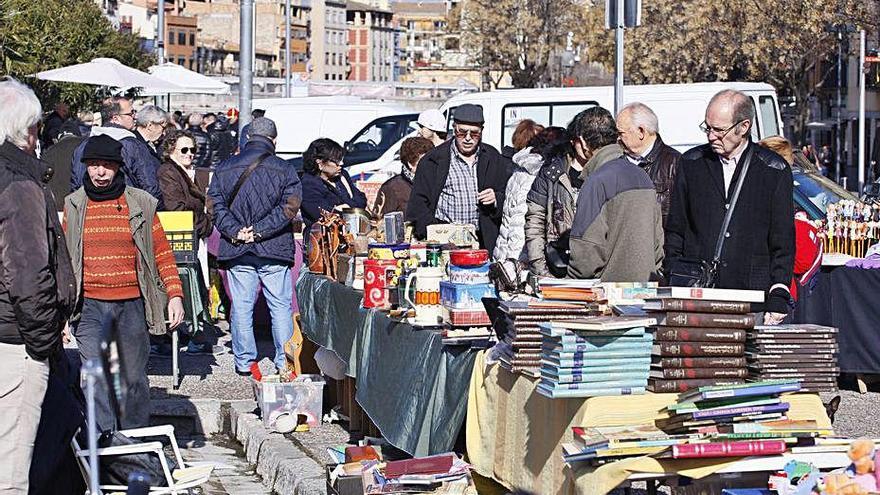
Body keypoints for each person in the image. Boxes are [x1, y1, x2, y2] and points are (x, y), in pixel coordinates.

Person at [64, 134, 184, 431]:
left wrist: (175, 295)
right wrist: (60, 314)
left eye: (106, 165)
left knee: (132, 380)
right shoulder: (74, 205)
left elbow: (161, 253)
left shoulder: (140, 203)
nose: (100, 172)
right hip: (89, 307)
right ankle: (106, 445)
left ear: (118, 167)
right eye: (93, 165)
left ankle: (134, 444)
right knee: (96, 379)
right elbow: (65, 260)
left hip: (131, 306)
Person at [0, 78, 75, 495]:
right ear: (27, 131)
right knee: (10, 471)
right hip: (14, 342)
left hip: (11, 333)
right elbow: (29, 277)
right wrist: (43, 341)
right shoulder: (18, 186)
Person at [665, 89, 794, 324]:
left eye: (719, 130)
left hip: (751, 296)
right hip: (698, 295)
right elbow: (676, 227)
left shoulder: (773, 170)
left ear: (743, 127)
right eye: (707, 127)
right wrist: (674, 270)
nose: (711, 136)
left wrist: (778, 291)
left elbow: (783, 241)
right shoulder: (692, 163)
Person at [207, 117, 302, 376]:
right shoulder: (285, 169)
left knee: (241, 305)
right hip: (273, 247)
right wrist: (259, 231)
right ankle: (285, 362)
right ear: (274, 140)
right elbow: (289, 209)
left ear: (247, 137)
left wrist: (237, 231)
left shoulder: (224, 167)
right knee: (281, 306)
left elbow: (214, 206)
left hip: (237, 246)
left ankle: (244, 362)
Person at [566, 108, 663, 282]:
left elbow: (586, 255)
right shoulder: (642, 176)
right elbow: (657, 246)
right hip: (646, 292)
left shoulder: (596, 181)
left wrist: (568, 281)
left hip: (608, 296)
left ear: (582, 142)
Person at [406, 104, 512, 254]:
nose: (468, 138)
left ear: (482, 131)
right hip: (445, 244)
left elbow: (508, 197)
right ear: (454, 129)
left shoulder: (493, 157)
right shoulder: (433, 160)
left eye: (474, 133)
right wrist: (435, 238)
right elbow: (418, 206)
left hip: (483, 244)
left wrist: (496, 199)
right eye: (462, 132)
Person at [525, 108, 616, 277]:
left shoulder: (610, 172)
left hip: (600, 268)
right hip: (557, 266)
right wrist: (541, 270)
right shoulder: (552, 172)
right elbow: (535, 222)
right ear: (575, 141)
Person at [70, 97, 165, 207]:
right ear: (115, 118)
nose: (135, 117)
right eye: (131, 113)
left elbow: (75, 187)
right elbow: (150, 189)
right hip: (126, 215)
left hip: (89, 214)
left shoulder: (82, 146)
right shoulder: (134, 146)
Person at [494, 126, 565, 262]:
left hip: (503, 248)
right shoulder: (537, 175)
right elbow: (521, 224)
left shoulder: (520, 169)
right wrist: (517, 261)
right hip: (519, 255)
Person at [615, 102, 680, 226]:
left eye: (621, 133)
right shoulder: (616, 165)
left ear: (641, 132)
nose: (618, 138)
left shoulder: (675, 164)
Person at [300, 138, 368, 233]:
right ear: (319, 163)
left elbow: (362, 199)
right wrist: (351, 209)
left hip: (351, 235)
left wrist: (344, 208)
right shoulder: (308, 185)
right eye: (336, 160)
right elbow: (324, 215)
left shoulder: (342, 175)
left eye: (341, 159)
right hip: (324, 241)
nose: (341, 163)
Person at [158, 130, 212, 240]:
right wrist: (206, 225)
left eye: (192, 149)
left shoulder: (187, 171)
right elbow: (176, 209)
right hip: (183, 235)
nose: (189, 153)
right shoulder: (168, 172)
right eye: (184, 150)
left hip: (193, 233)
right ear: (171, 150)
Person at [371, 136, 433, 217]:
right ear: (410, 164)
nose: (429, 166)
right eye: (424, 162)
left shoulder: (434, 181)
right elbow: (381, 222)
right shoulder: (392, 188)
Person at [42, 119, 84, 210]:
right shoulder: (84, 147)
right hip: (80, 205)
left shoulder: (49, 152)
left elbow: (44, 180)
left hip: (58, 207)